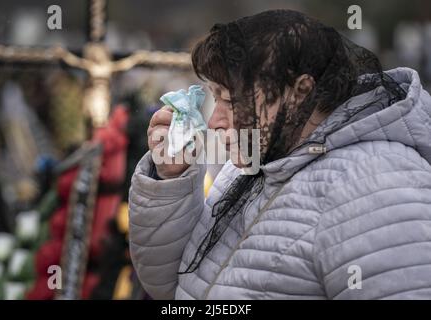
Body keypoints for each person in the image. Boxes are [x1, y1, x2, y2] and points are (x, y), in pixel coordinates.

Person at [128, 10, 431, 299]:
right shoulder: (258, 158)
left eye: (231, 99)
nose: (214, 121)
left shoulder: (376, 184)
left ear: (300, 92)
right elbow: (174, 284)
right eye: (215, 97)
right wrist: (171, 178)